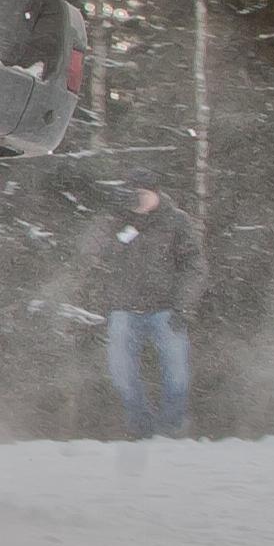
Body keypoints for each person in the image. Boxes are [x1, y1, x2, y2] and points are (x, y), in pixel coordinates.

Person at [94, 182, 204, 437]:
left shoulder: (176, 221)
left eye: (144, 194)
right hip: (123, 307)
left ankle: (171, 429)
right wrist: (117, 217)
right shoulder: (119, 220)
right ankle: (140, 426)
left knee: (177, 372)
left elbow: (194, 265)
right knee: (120, 371)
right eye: (135, 194)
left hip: (167, 308)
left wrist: (182, 305)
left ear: (157, 193)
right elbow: (95, 251)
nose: (140, 200)